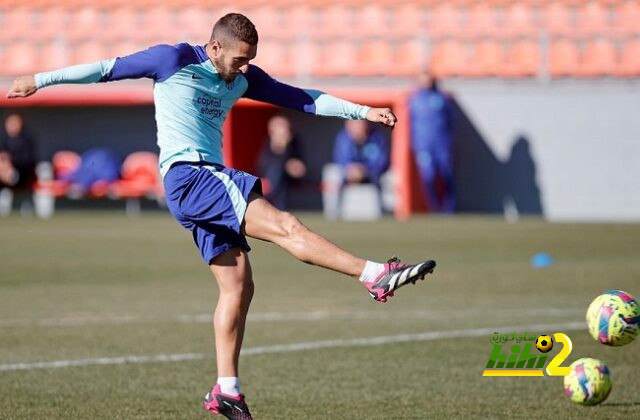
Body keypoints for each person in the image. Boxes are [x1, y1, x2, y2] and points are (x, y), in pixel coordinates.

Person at [7, 13, 436, 420]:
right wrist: (39, 81)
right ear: (214, 47)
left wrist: (362, 111)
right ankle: (373, 274)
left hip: (197, 186)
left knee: (238, 286)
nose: (245, 67)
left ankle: (226, 388)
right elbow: (104, 68)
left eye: (251, 59)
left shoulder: (243, 77)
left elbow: (304, 98)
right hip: (191, 176)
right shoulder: (172, 59)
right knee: (286, 225)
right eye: (239, 58)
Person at [409, 69, 455, 213]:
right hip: (424, 145)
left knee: (447, 175)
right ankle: (434, 208)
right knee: (428, 177)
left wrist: (448, 139)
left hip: (442, 145)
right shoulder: (414, 100)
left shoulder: (442, 98)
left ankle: (449, 209)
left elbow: (452, 120)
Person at [258, 114, 306, 210]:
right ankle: (275, 204)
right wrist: (280, 148)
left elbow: (301, 165)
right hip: (273, 180)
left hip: (290, 180)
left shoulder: (294, 143)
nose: (286, 131)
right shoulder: (268, 145)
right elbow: (264, 166)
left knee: (280, 172)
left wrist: (295, 166)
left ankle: (276, 205)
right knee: (277, 169)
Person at [0, 113, 38, 216]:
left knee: (10, 173)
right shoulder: (4, 140)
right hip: (4, 174)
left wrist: (10, 165)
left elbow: (27, 160)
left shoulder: (26, 140)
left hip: (22, 174)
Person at [333, 119, 389, 188]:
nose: (356, 127)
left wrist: (365, 170)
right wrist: (351, 168)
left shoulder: (377, 137)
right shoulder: (343, 137)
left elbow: (381, 161)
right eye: (353, 124)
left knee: (389, 177)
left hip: (372, 175)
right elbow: (340, 159)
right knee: (333, 174)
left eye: (359, 123)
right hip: (350, 175)